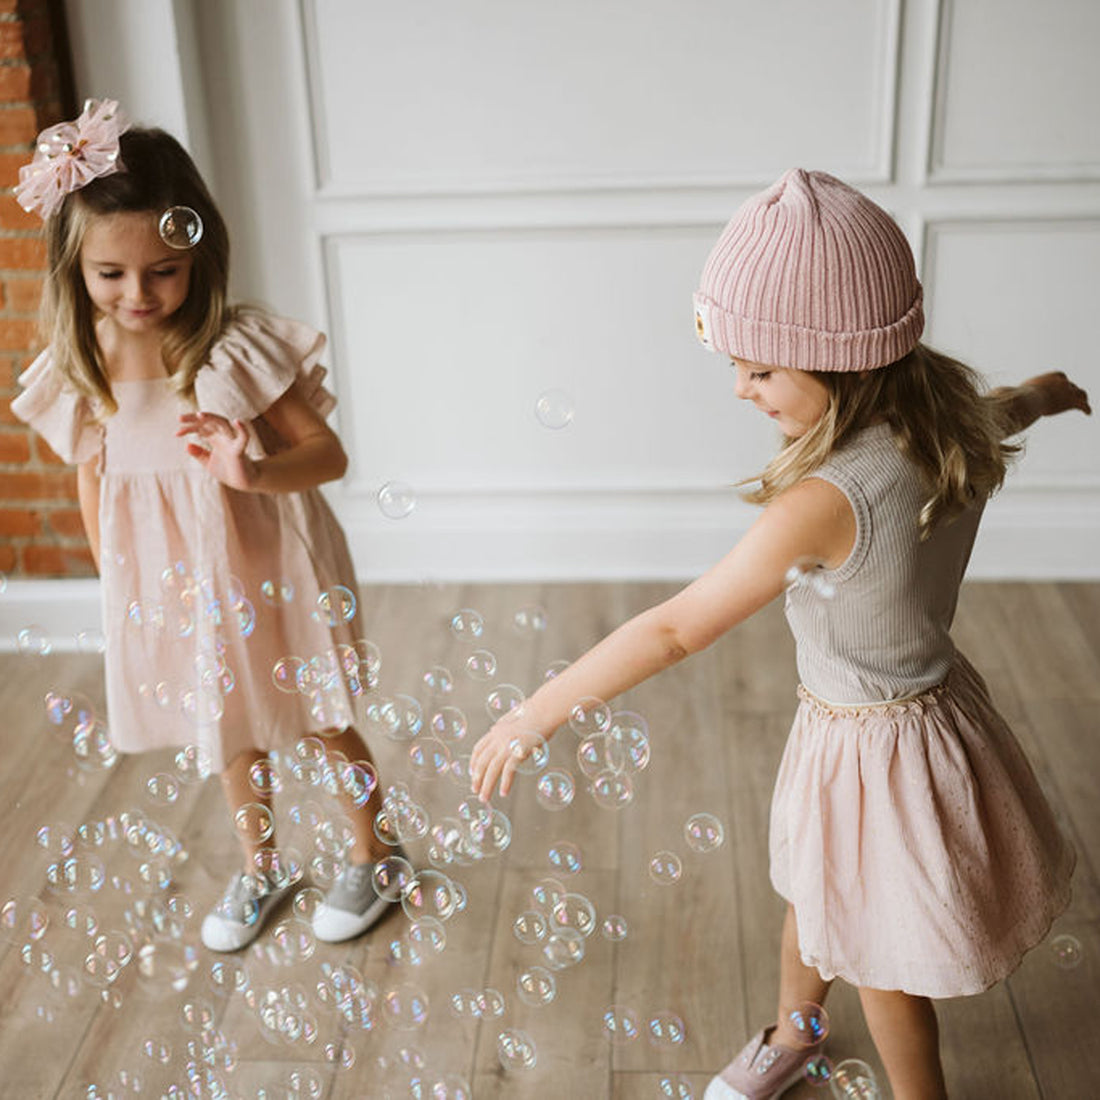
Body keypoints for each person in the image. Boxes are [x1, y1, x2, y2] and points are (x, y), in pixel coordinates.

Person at [469, 168, 1087, 1099]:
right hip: (911, 719)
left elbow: (677, 628)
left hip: (877, 748)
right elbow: (1009, 409)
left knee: (879, 961)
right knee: (815, 890)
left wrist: (535, 711)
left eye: (760, 368)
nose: (738, 388)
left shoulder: (822, 503)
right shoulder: (948, 420)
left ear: (841, 362)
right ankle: (796, 1034)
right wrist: (1048, 391)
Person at [11, 100, 398, 953]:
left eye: (163, 271)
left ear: (198, 255)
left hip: (266, 562)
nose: (138, 295)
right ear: (75, 268)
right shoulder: (82, 369)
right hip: (170, 578)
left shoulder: (232, 348)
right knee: (224, 723)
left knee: (318, 711)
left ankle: (376, 852)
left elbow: (326, 455)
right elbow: (93, 477)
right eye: (111, 274)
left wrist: (251, 470)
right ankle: (261, 866)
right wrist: (119, 581)